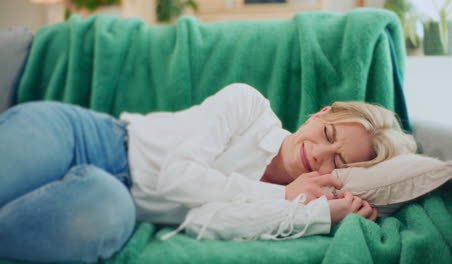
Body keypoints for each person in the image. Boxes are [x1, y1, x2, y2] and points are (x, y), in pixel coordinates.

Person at [0, 83, 417, 262]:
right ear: (319, 114)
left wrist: (314, 213)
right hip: (85, 136)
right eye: (327, 133)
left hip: (114, 197)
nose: (319, 153)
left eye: (338, 162)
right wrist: (281, 197)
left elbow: (203, 220)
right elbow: (175, 178)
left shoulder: (299, 203)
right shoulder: (247, 104)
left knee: (109, 215)